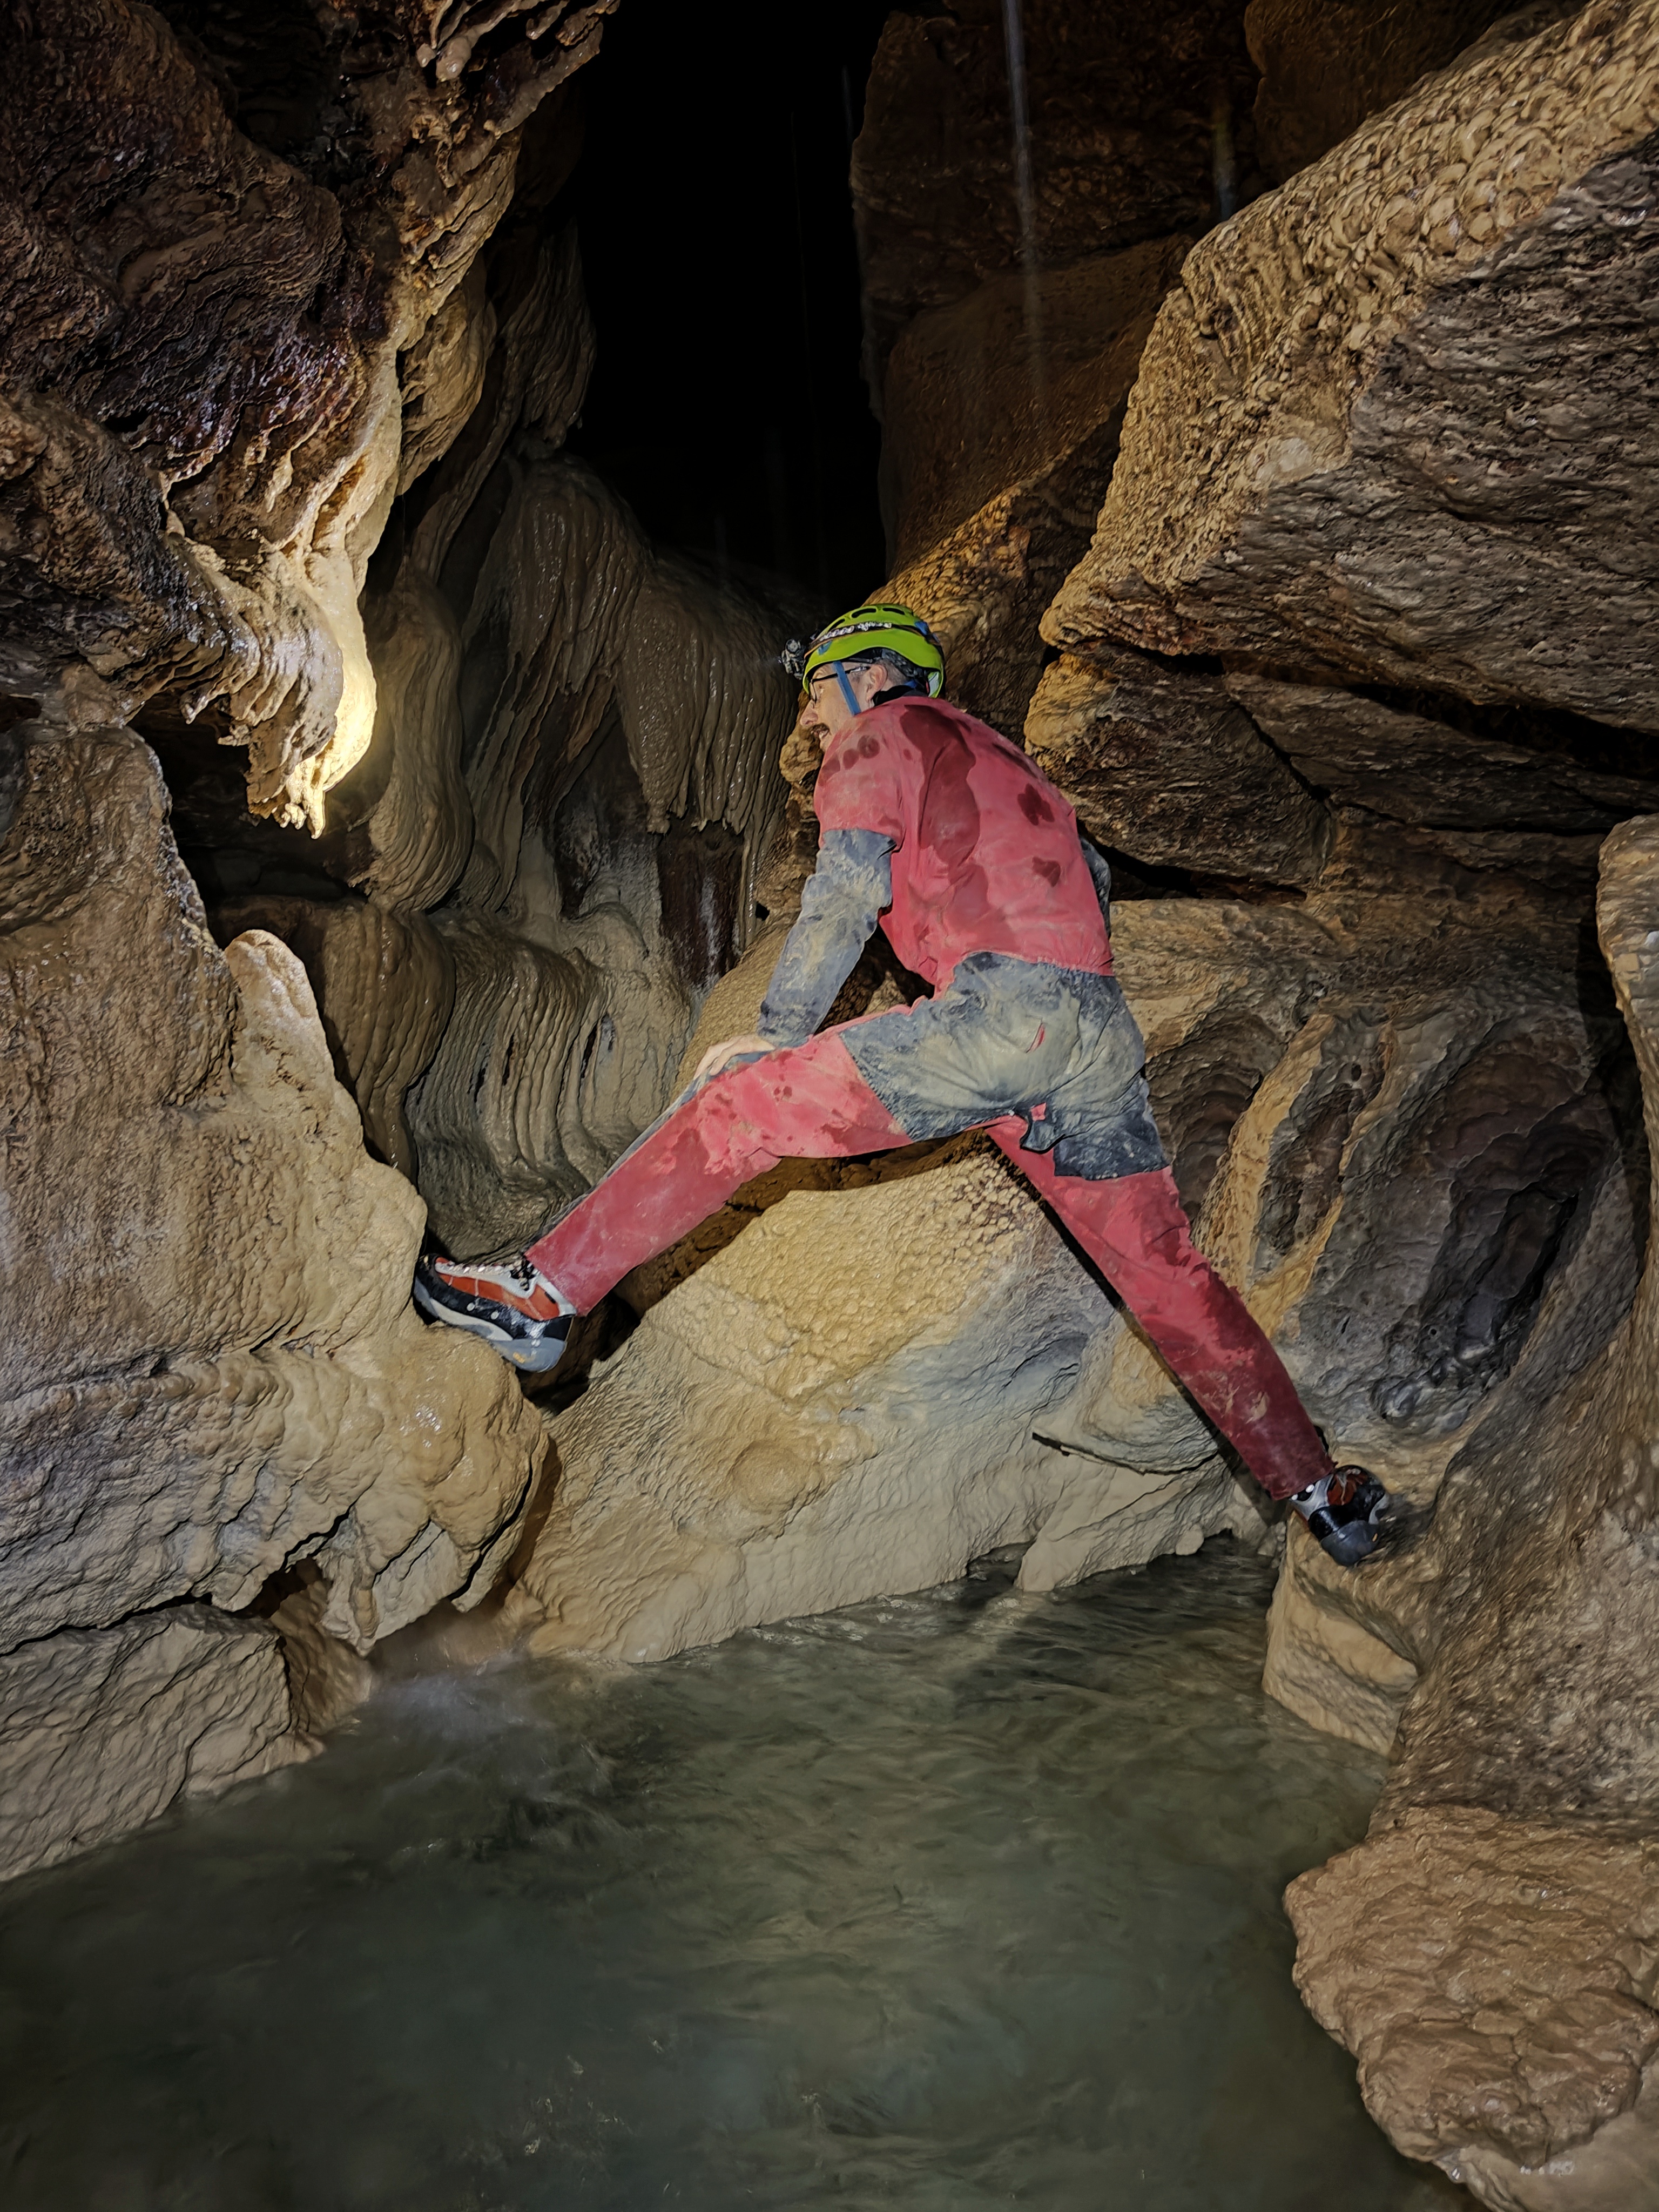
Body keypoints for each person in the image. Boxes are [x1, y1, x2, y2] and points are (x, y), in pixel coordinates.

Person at [414, 604, 1395, 1567]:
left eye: (817, 693)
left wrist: (776, 1035)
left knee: (737, 1106)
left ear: (870, 676)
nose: (810, 718)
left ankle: (542, 1293)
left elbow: (845, 890)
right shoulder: (1016, 768)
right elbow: (1091, 885)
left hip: (1000, 1019)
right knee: (1168, 1279)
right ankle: (1319, 1491)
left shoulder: (882, 735)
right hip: (1096, 1036)